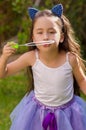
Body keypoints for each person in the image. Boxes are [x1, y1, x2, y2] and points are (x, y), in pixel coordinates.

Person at [0, 4, 86, 130]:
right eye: (40, 32)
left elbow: (82, 80)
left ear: (61, 37)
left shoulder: (70, 59)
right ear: (33, 38)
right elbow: (3, 73)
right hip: (38, 113)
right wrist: (4, 57)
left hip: (68, 113)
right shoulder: (31, 57)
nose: (45, 37)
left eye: (51, 32)